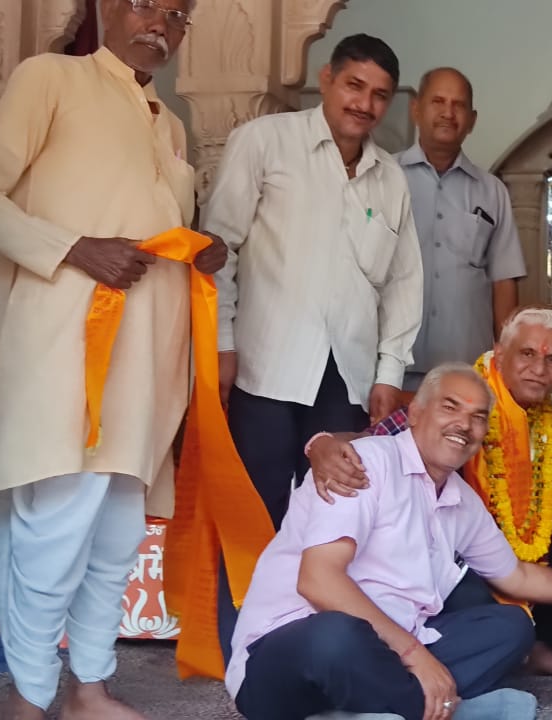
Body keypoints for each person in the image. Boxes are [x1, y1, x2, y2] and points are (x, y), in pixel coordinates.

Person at [0, 0, 224, 717]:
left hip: (146, 366)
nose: (162, 23)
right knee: (57, 528)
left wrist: (197, 245)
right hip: (64, 351)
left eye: (179, 14)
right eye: (148, 3)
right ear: (107, 7)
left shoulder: (170, 123)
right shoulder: (50, 79)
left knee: (117, 534)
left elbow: (152, 228)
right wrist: (72, 248)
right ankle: (28, 695)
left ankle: (88, 689)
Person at [226, 364, 552, 720]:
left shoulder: (460, 500)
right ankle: (444, 709)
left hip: (386, 651)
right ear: (414, 414)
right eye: (450, 407)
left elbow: (519, 577)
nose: (464, 425)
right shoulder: (364, 464)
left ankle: (373, 710)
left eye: (478, 416)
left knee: (510, 629)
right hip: (290, 651)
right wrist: (415, 654)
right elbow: (318, 582)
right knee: (336, 636)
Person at [306, 307, 552, 679]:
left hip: (512, 562)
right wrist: (322, 443)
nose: (540, 368)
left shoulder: (545, 429)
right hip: (459, 562)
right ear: (500, 355)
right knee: (465, 581)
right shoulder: (461, 403)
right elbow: (369, 443)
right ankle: (523, 648)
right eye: (527, 353)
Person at [203, 33, 423, 528]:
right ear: (327, 78)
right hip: (263, 367)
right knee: (254, 515)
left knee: (335, 516)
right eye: (354, 85)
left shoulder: (390, 178)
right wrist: (222, 343)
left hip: (347, 381)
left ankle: (318, 586)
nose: (364, 104)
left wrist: (389, 373)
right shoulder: (264, 142)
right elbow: (219, 250)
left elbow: (403, 284)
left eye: (379, 95)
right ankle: (248, 586)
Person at [398, 67, 526, 390]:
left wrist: (505, 361)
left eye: (458, 105)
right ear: (416, 109)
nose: (448, 113)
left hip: (468, 370)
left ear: (472, 120)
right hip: (390, 368)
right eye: (438, 101)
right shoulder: (385, 176)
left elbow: (503, 281)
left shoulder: (492, 191)